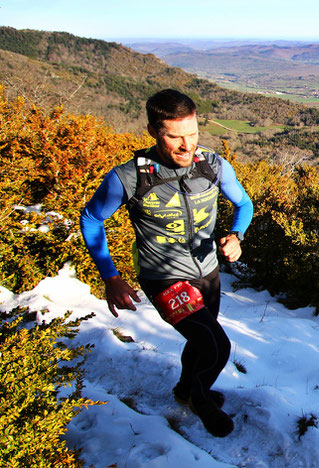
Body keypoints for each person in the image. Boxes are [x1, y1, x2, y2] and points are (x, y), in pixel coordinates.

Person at [80, 89, 253, 437]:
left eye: (192, 133)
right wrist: (110, 277)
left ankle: (185, 391)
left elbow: (244, 204)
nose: (187, 145)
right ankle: (201, 402)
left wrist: (236, 236)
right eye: (175, 136)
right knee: (216, 345)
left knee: (201, 339)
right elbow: (91, 218)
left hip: (207, 273)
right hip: (162, 277)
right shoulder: (128, 177)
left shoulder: (213, 165)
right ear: (153, 131)